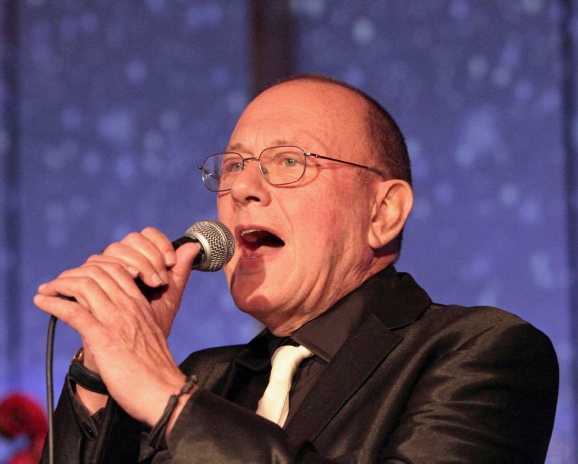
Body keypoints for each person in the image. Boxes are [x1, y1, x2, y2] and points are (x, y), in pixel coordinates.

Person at [35, 74, 559, 463]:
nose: (242, 188)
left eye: (289, 161)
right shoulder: (207, 378)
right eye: (234, 165)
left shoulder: (483, 352)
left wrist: (170, 401)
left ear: (383, 212)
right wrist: (102, 370)